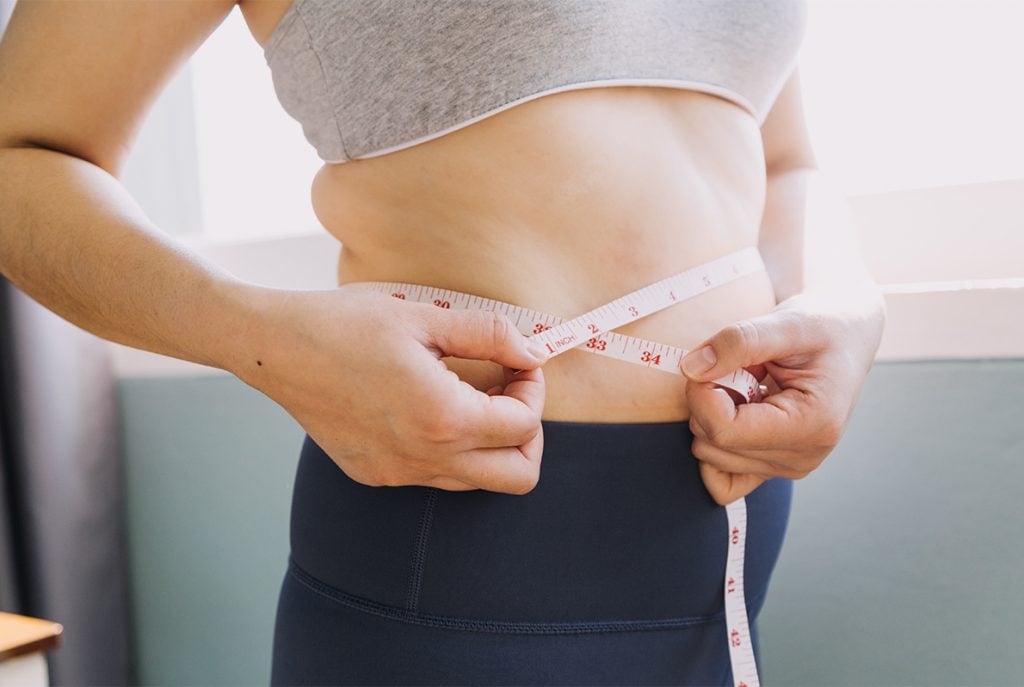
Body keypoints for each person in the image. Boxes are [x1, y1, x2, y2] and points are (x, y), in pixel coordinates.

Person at [0, 0, 886, 684]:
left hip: (721, 545)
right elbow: (20, 155)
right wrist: (257, 331)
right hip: (458, 544)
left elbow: (784, 161)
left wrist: (849, 308)